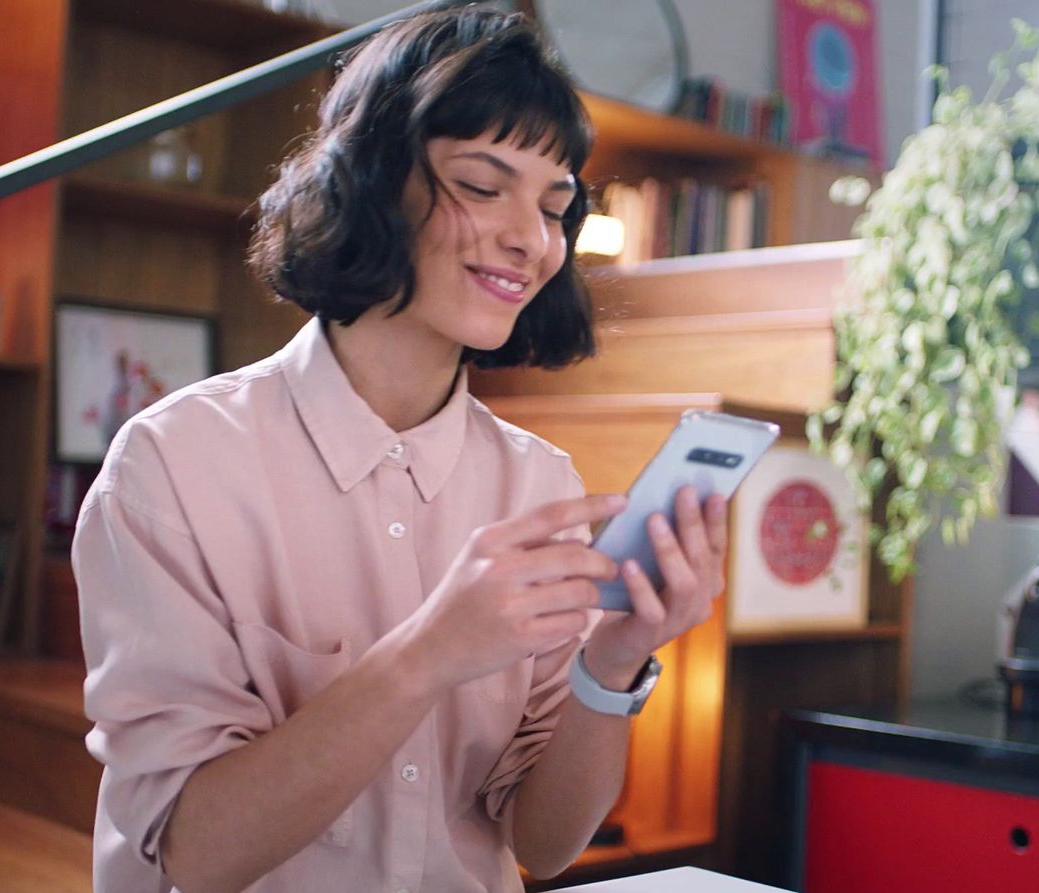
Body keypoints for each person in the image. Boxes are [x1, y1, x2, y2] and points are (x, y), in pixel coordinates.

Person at [73, 7, 728, 893]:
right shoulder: (172, 468)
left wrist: (610, 664)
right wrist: (428, 652)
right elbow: (195, 850)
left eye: (553, 204)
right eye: (483, 185)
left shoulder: (538, 481)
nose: (531, 240)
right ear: (374, 183)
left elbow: (544, 842)